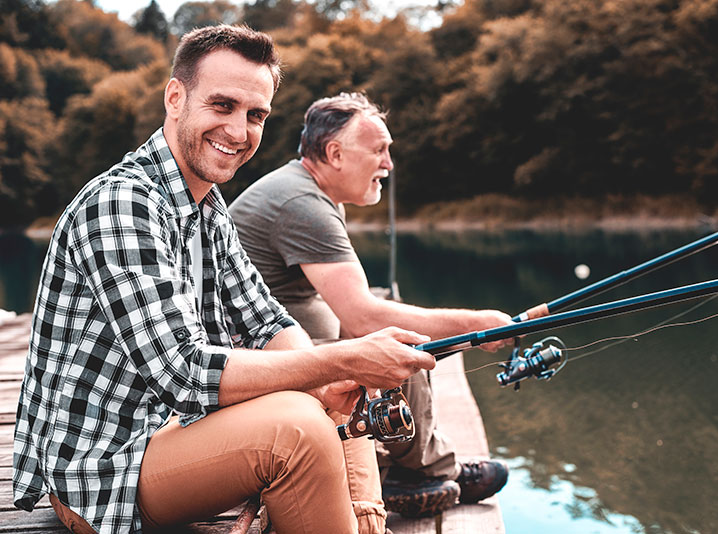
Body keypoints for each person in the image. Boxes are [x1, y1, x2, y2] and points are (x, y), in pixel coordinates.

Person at [12, 26, 434, 534]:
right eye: (222, 106)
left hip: (170, 434)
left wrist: (332, 379)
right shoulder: (123, 202)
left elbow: (265, 320)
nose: (239, 131)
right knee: (298, 429)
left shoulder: (208, 208)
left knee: (336, 400)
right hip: (103, 475)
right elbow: (184, 374)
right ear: (175, 98)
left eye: (255, 115)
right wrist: (339, 359)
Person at [229, 92, 526, 517]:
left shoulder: (308, 192)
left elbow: (353, 309)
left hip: (281, 348)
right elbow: (364, 316)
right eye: (380, 151)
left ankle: (415, 464)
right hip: (264, 366)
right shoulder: (302, 204)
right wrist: (478, 324)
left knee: (390, 326)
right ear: (334, 154)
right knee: (396, 340)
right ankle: (423, 471)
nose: (389, 164)